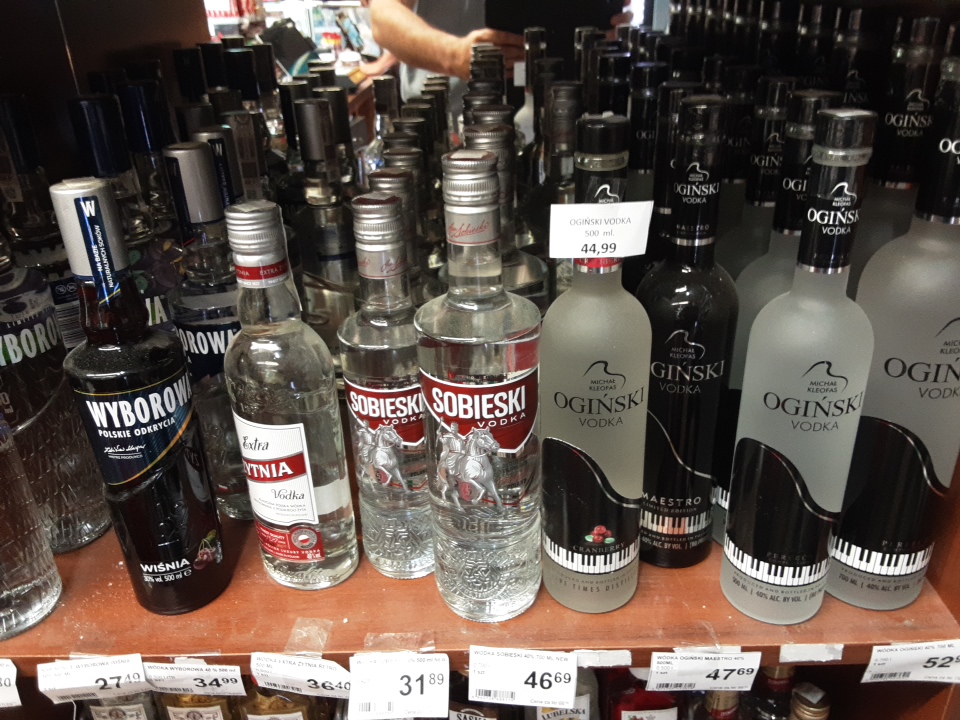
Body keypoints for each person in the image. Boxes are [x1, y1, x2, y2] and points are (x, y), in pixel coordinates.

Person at [364, 0, 631, 113]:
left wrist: (606, 22)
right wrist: (453, 55)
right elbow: (383, 14)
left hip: (571, 112)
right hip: (449, 123)